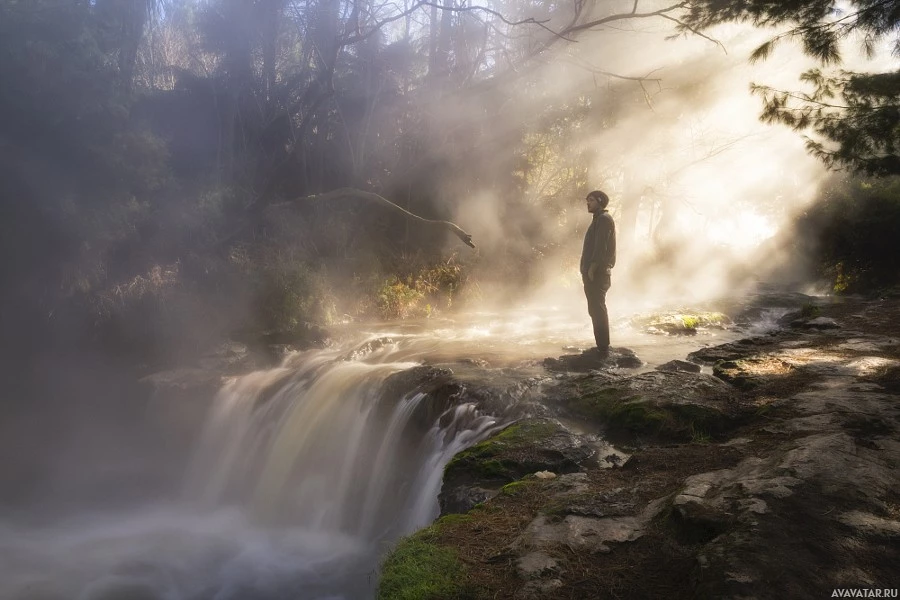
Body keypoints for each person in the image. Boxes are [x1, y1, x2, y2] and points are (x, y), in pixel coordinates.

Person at [580, 190, 616, 357]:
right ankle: (601, 346)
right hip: (594, 272)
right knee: (594, 309)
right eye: (588, 200)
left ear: (600, 201)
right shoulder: (598, 220)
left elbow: (601, 247)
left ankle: (603, 348)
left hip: (598, 273)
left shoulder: (603, 220)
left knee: (598, 308)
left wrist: (592, 268)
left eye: (591, 200)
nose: (588, 203)